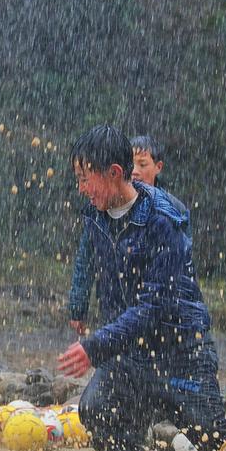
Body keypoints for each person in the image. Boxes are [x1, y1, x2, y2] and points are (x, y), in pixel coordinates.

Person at [56, 125, 226, 451]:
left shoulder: (164, 221)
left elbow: (155, 306)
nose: (81, 187)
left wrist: (94, 347)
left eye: (85, 177)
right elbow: (87, 265)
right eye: (77, 178)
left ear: (114, 172)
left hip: (180, 353)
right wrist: (80, 305)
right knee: (96, 411)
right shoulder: (95, 216)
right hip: (131, 354)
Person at [68, 135, 186, 336]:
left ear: (158, 167)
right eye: (134, 164)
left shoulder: (168, 215)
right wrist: (78, 305)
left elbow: (170, 288)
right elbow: (85, 260)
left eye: (143, 164)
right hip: (116, 322)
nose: (137, 171)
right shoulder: (99, 212)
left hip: (161, 331)